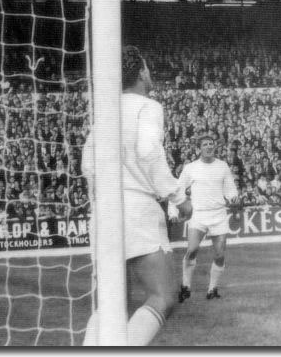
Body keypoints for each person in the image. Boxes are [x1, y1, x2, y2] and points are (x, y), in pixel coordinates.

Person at [82, 46, 192, 346]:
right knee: (163, 295)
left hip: (103, 211)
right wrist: (178, 197)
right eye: (148, 68)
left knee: (111, 303)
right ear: (142, 72)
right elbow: (147, 151)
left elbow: (87, 164)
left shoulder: (105, 110)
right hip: (135, 210)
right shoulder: (147, 106)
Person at [177, 134, 239, 302]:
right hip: (199, 214)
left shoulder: (223, 166)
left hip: (218, 214)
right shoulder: (191, 168)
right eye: (205, 144)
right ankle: (186, 286)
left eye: (211, 144)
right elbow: (179, 189)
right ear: (200, 148)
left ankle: (212, 289)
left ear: (214, 147)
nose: (209, 147)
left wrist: (233, 197)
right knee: (192, 250)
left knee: (219, 254)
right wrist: (177, 210)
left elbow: (230, 188)